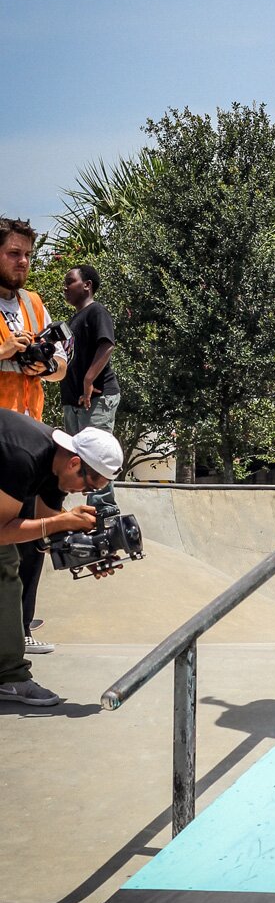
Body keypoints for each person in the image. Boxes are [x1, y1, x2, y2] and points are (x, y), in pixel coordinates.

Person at [0, 409, 123, 706]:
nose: (83, 494)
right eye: (89, 486)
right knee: (5, 565)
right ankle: (10, 677)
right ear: (75, 463)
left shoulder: (56, 469)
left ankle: (8, 674)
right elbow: (2, 533)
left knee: (13, 560)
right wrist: (65, 521)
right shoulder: (24, 456)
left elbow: (45, 533)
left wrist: (87, 554)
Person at [0, 217, 70, 656]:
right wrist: (7, 350)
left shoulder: (33, 302)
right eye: (13, 254)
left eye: (27, 254)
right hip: (1, 442)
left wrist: (43, 364)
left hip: (34, 438)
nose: (22, 262)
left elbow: (62, 364)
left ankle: (22, 628)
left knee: (32, 542)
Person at [60, 264, 120, 440]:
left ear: (87, 285)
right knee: (76, 459)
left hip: (96, 398)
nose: (65, 287)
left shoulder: (97, 311)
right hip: (74, 403)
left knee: (93, 456)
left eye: (70, 281)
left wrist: (88, 380)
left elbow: (107, 344)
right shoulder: (74, 320)